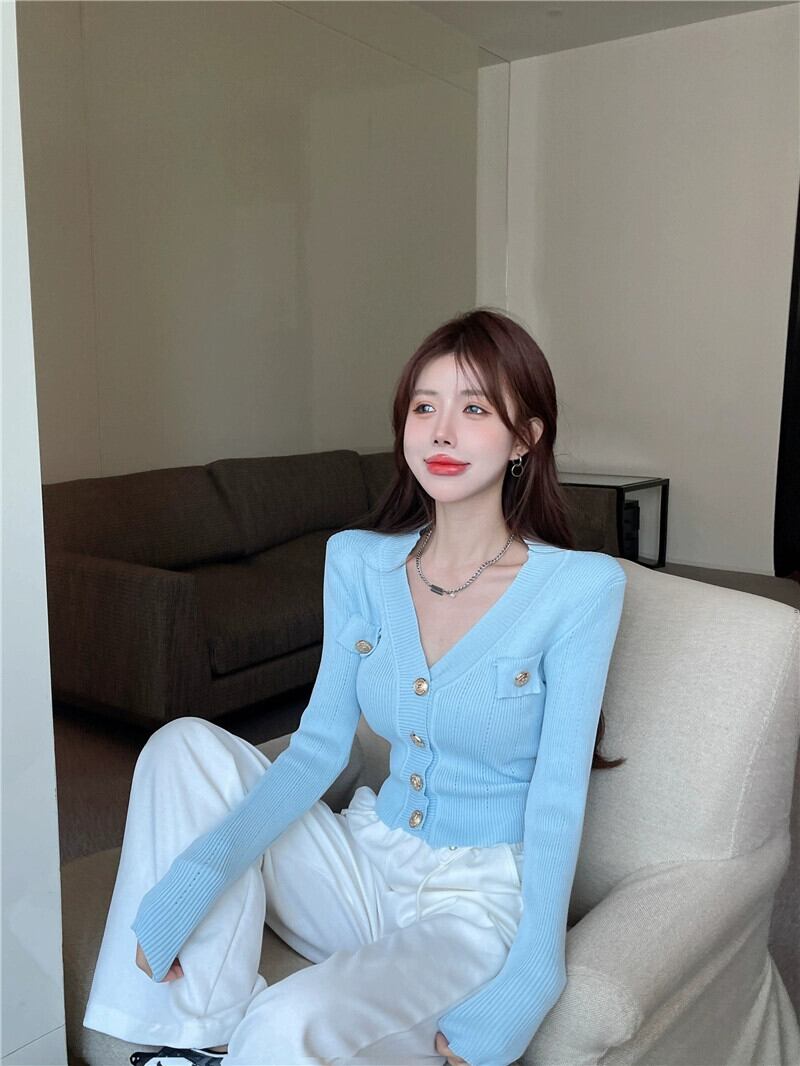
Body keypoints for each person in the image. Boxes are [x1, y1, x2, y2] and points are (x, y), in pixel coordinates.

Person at [83, 307, 627, 1066]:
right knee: (182, 747)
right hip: (365, 856)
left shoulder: (581, 587)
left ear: (524, 438)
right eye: (424, 408)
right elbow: (317, 750)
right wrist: (198, 872)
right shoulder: (357, 562)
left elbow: (559, 794)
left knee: (284, 1025)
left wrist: (534, 974)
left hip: (473, 903)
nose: (441, 432)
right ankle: (188, 1039)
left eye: (475, 409)